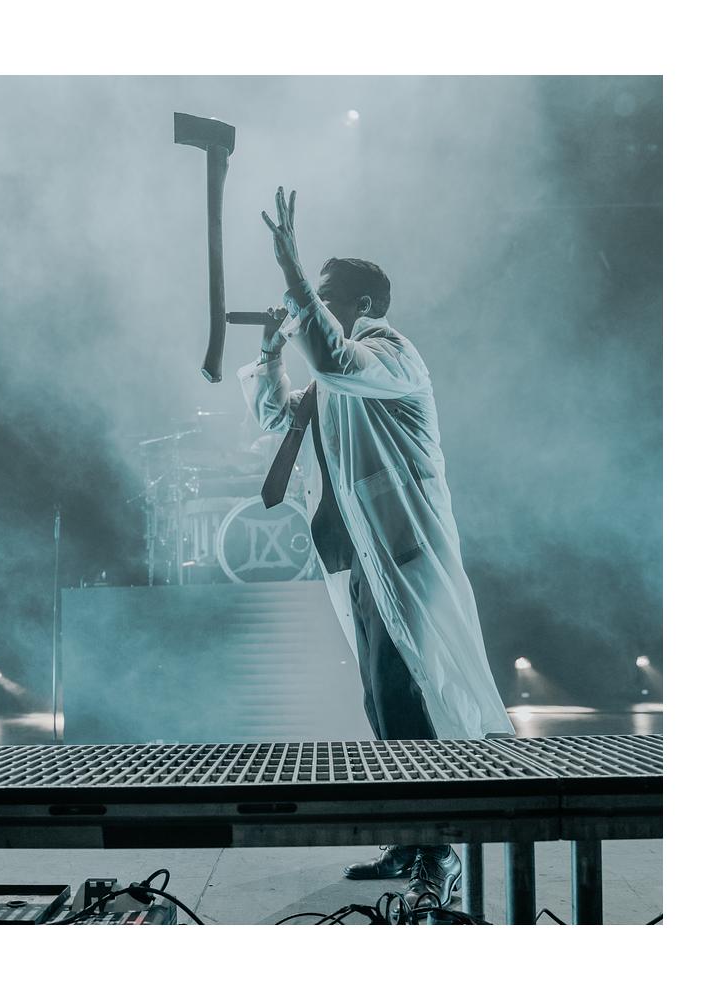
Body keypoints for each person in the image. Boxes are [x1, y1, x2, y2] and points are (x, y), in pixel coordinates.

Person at [238, 187, 515, 911]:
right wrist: (270, 350)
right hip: (355, 559)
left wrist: (292, 269)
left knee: (408, 695)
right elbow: (277, 417)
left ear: (364, 304)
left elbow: (331, 356)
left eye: (327, 293)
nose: (314, 303)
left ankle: (438, 850)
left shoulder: (391, 357)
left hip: (399, 557)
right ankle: (408, 835)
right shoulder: (335, 379)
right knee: (382, 700)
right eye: (316, 293)